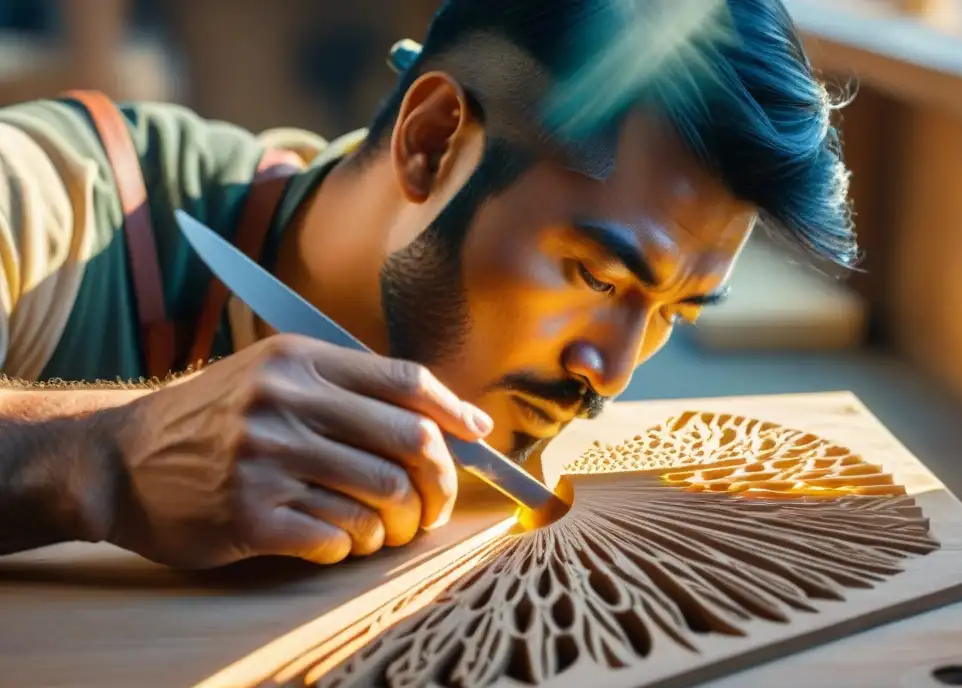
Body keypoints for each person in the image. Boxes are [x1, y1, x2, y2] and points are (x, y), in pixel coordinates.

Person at [0, 0, 856, 570]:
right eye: (596, 274)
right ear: (434, 140)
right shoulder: (46, 201)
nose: (614, 368)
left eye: (674, 309)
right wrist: (95, 455)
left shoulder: (520, 409)